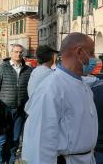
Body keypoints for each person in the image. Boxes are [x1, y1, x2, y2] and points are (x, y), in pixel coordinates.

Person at [22, 32, 98, 163]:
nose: (94, 58)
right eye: (91, 52)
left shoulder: (82, 84)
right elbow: (41, 139)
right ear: (79, 52)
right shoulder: (51, 88)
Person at [0, 44, 32, 164]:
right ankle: (0, 162)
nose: (18, 54)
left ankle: (10, 161)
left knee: (15, 139)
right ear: (11, 53)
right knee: (2, 139)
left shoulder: (28, 70)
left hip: (20, 109)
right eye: (15, 52)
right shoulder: (3, 68)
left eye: (20, 52)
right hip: (4, 109)